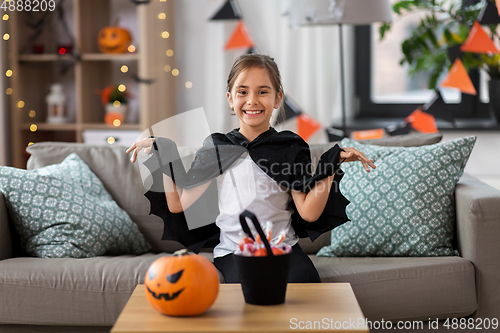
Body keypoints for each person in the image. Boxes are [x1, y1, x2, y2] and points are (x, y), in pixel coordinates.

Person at [127, 54, 375, 283]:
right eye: (243, 91)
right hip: (235, 252)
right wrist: (166, 152)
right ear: (230, 99)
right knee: (253, 294)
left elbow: (309, 213)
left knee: (306, 288)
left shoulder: (290, 146)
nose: (252, 101)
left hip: (284, 249)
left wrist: (330, 164)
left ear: (278, 98)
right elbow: (178, 205)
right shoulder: (218, 146)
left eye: (263, 92)